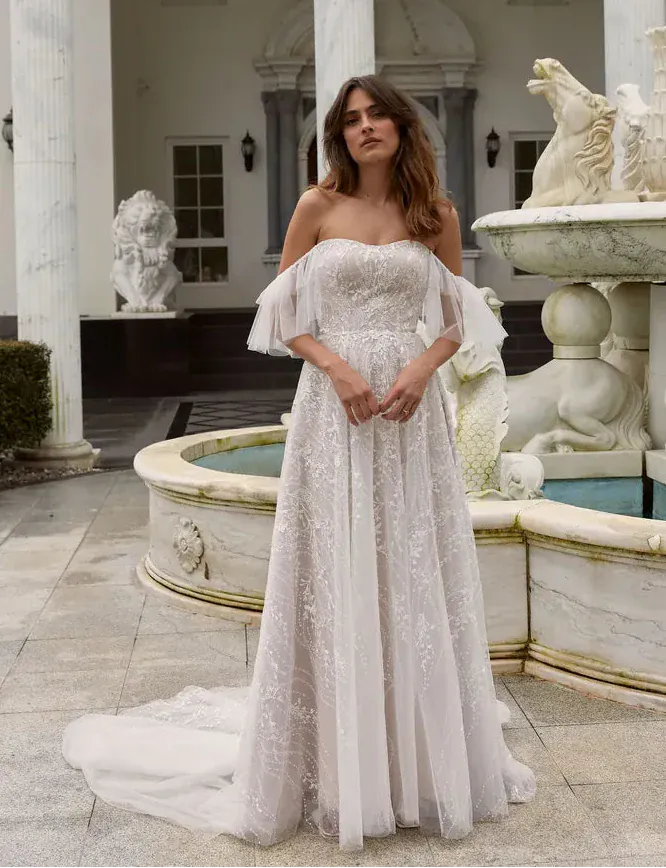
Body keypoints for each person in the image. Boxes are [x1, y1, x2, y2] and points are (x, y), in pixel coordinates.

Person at [62, 75, 536, 852]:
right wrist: (338, 368)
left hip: (412, 421)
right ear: (337, 137)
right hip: (336, 412)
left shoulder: (434, 215)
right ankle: (334, 762)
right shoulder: (318, 207)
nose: (365, 127)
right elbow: (281, 313)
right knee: (336, 567)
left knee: (409, 565)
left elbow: (457, 320)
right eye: (350, 120)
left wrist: (421, 370)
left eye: (377, 113)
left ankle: (415, 759)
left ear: (401, 126)